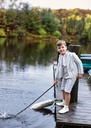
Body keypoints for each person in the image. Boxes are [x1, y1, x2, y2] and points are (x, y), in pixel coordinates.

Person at [54, 40, 84, 114]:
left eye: (62, 47)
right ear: (57, 50)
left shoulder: (72, 55)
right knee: (63, 89)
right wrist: (56, 79)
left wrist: (80, 73)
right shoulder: (60, 56)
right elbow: (58, 68)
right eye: (59, 48)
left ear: (66, 47)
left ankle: (66, 107)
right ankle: (64, 102)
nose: (61, 49)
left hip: (72, 75)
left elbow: (79, 63)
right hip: (65, 76)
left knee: (67, 91)